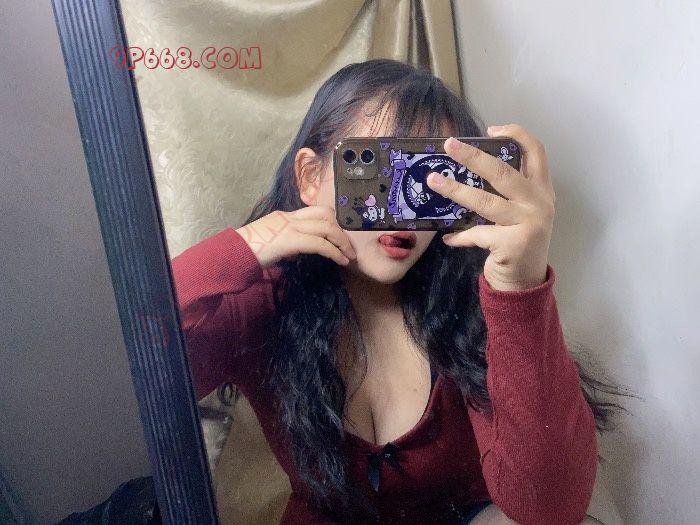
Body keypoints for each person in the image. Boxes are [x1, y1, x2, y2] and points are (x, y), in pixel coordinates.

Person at [171, 59, 610, 524]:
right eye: (376, 168)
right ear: (311, 177)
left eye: (426, 178)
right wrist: (242, 247)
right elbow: (142, 374)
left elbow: (551, 509)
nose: (402, 211)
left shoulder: (478, 301)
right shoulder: (265, 302)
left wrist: (521, 290)